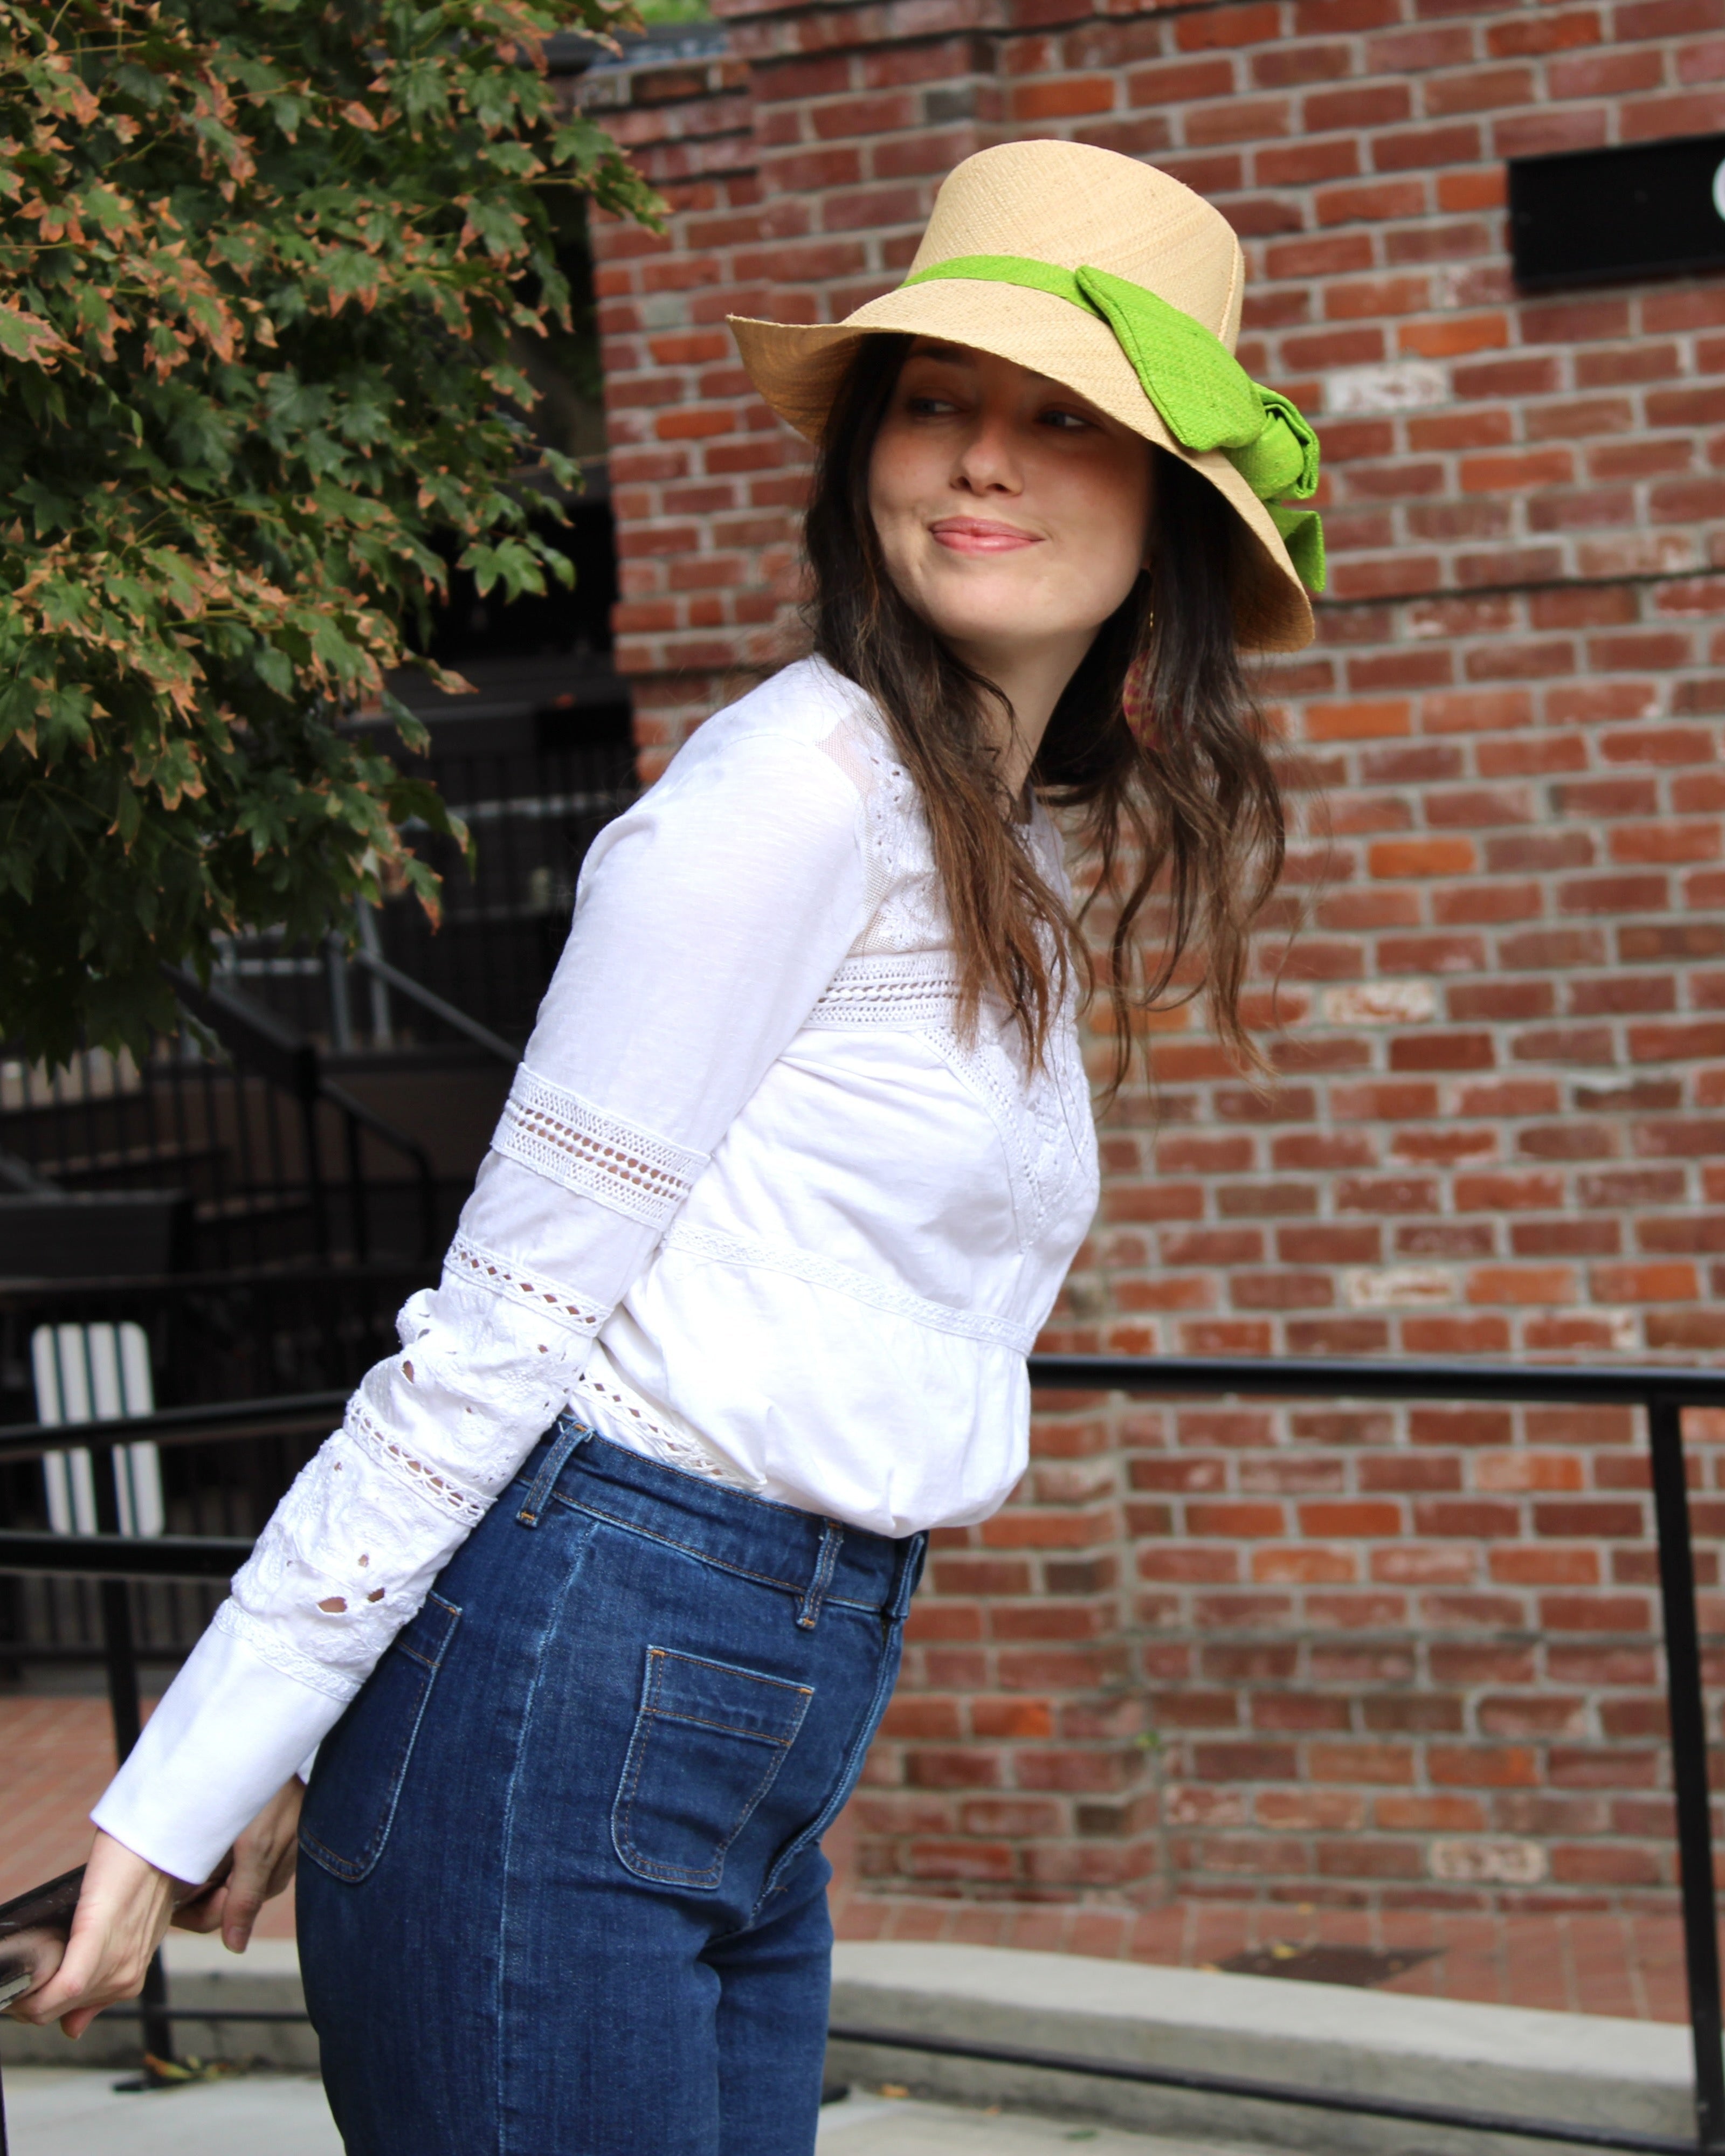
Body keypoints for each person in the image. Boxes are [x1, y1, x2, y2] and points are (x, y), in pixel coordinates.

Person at [11, 138, 1321, 2152]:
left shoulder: (1001, 840)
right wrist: (223, 1744)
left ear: (1169, 511)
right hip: (582, 1652)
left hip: (737, 1699)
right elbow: (511, 1314)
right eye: (942, 403)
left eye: (1065, 422)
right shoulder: (790, 794)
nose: (982, 461)